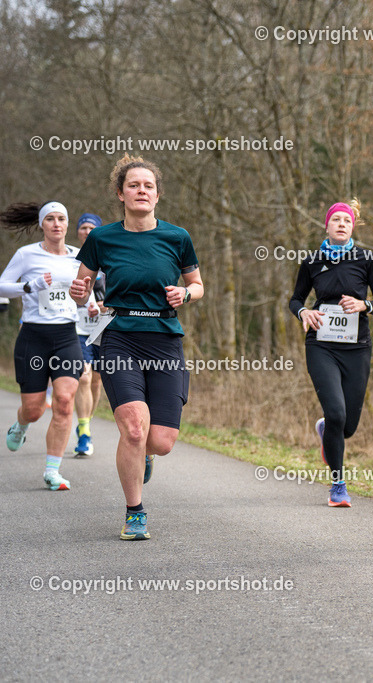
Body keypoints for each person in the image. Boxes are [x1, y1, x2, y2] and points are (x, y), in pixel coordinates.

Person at [70, 155, 203, 541]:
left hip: (164, 338)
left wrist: (186, 293)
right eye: (133, 185)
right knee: (132, 427)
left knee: (159, 441)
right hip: (120, 336)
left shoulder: (177, 237)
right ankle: (134, 511)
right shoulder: (102, 237)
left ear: (157, 195)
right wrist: (78, 293)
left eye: (148, 186)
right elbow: (81, 290)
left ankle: (144, 454)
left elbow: (198, 284)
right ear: (121, 193)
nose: (141, 190)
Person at [289, 200, 373, 507]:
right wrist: (304, 312)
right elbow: (295, 300)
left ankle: (326, 430)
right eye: (336, 220)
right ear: (327, 226)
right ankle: (338, 485)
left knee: (348, 426)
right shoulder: (312, 261)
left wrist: (364, 305)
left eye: (347, 220)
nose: (342, 224)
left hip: (357, 348)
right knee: (336, 412)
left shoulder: (366, 259)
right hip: (321, 346)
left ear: (353, 226)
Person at [0, 201, 84, 491]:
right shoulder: (26, 255)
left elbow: (95, 285)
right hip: (33, 337)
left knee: (63, 401)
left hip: (66, 337)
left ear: (67, 223)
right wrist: (29, 286)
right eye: (50, 219)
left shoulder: (78, 257)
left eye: (61, 218)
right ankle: (21, 424)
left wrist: (95, 303)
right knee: (34, 410)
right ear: (41, 225)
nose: (57, 224)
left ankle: (52, 470)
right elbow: (2, 286)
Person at [72, 213, 106, 457]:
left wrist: (101, 307)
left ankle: (86, 421)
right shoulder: (69, 260)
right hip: (76, 328)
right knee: (83, 378)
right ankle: (84, 433)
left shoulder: (110, 259)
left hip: (104, 328)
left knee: (96, 381)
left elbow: (121, 296)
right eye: (83, 227)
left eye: (92, 227)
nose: (87, 231)